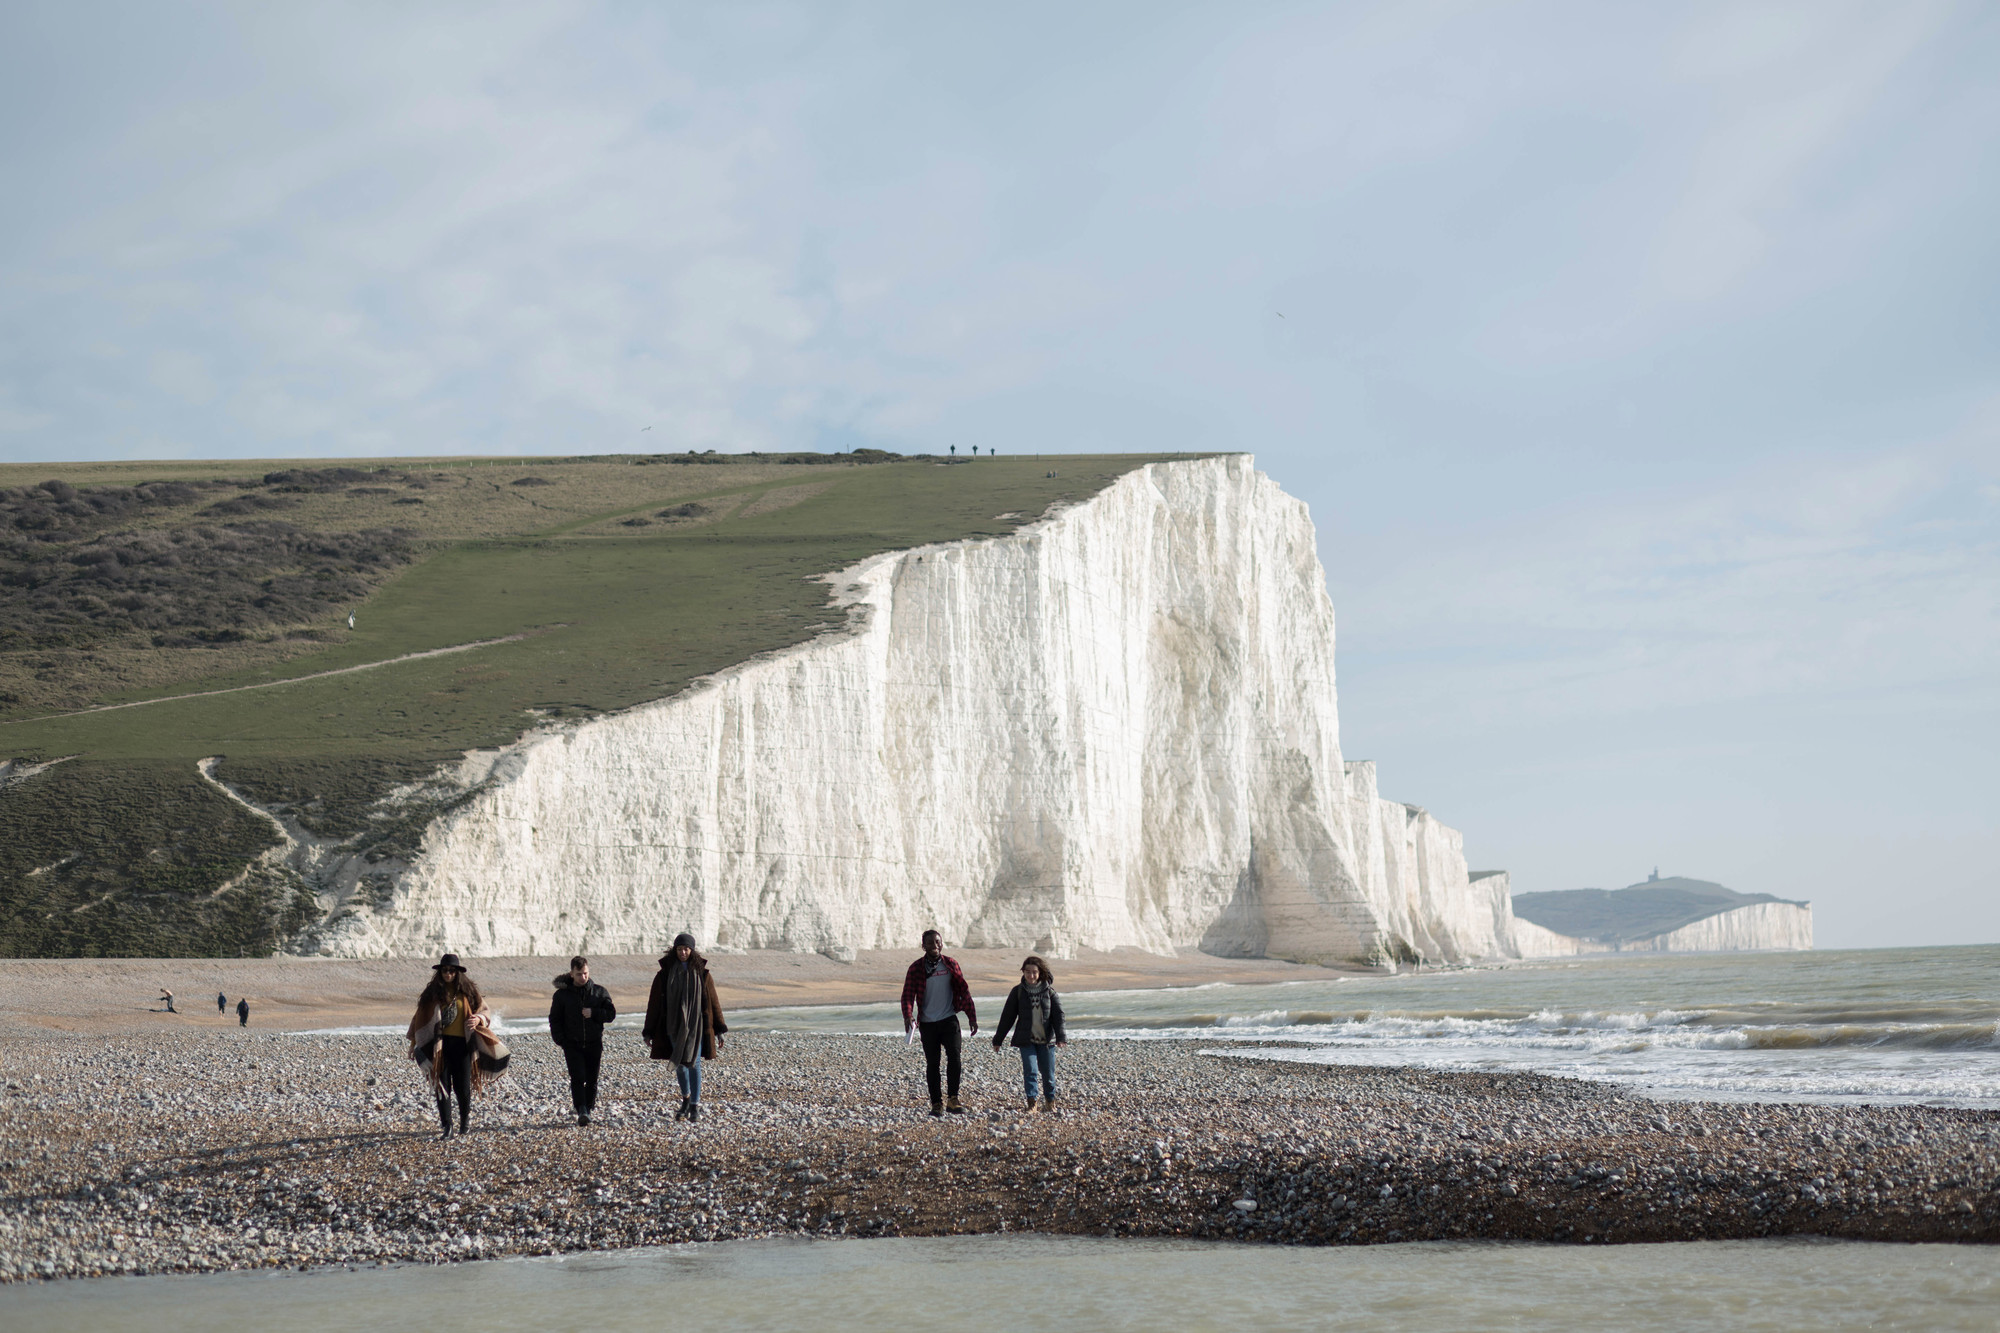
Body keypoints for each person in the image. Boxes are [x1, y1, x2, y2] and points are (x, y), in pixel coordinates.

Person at [407, 953, 496, 1140]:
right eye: (445, 970)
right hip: (439, 1047)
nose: (448, 974)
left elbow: (485, 1010)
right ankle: (447, 1125)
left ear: (458, 973)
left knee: (463, 1088)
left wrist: (478, 1018)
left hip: (463, 1046)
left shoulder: (469, 992)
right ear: (439, 972)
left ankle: (465, 1121)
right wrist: (414, 1043)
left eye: (452, 971)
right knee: (442, 1085)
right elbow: (419, 1019)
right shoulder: (431, 994)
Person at [643, 933, 726, 1123]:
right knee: (680, 1065)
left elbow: (714, 1003)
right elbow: (654, 1004)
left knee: (694, 1063)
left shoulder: (703, 974)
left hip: (697, 1027)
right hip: (672, 1026)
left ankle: (695, 1105)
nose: (683, 952)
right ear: (675, 950)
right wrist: (648, 1031)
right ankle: (686, 1099)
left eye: (686, 949)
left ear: (692, 950)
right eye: (680, 949)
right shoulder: (664, 975)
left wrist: (720, 1029)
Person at [900, 930, 977, 1116]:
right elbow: (908, 995)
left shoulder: (951, 964)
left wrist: (971, 1016)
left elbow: (963, 990)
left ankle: (953, 1099)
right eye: (930, 942)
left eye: (937, 942)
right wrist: (908, 1015)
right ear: (923, 946)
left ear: (941, 944)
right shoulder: (916, 968)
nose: (935, 945)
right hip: (927, 1024)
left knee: (955, 1058)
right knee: (933, 1063)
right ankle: (936, 1103)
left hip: (949, 1020)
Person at [992, 955, 1067, 1114]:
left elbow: (1059, 1016)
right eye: (1028, 972)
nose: (1031, 975)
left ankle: (1050, 1102)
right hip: (1026, 1040)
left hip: (1047, 1041)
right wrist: (998, 1039)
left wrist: (1061, 1037)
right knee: (1031, 1071)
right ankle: (1032, 1104)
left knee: (1048, 1074)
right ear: (1023, 972)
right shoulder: (1018, 991)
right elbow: (1007, 1017)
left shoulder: (1050, 992)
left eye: (1034, 972)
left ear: (1040, 973)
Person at [549, 954, 616, 1126]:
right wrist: (561, 1040)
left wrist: (594, 1013)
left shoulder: (599, 992)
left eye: (585, 973)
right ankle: (582, 1110)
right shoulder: (562, 995)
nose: (583, 977)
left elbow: (611, 1014)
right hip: (572, 1044)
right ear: (572, 974)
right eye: (579, 974)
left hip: (594, 1043)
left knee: (592, 1079)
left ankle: (589, 1108)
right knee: (578, 1077)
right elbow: (554, 1019)